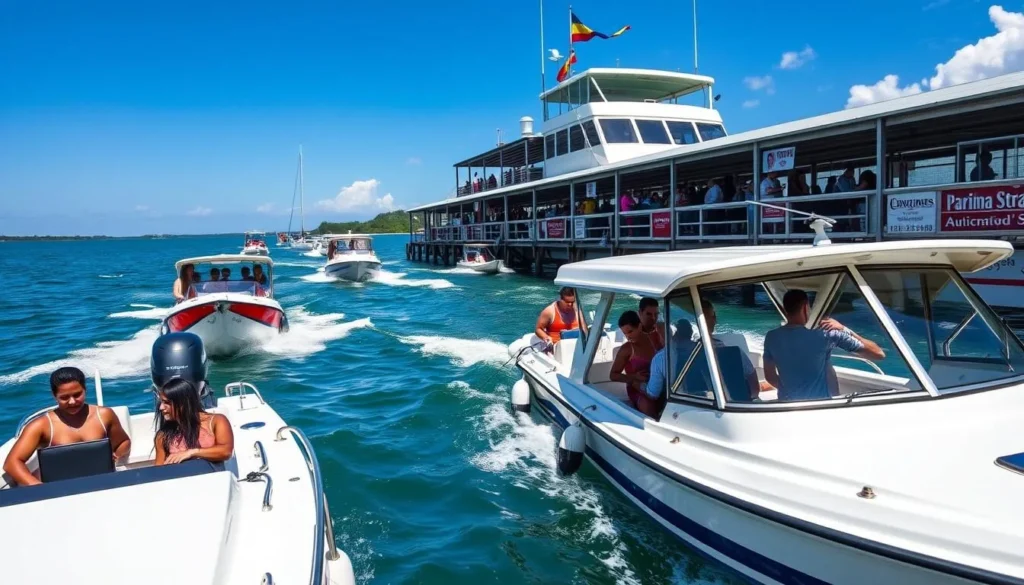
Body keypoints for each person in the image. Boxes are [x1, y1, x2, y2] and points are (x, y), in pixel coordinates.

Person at [3, 367, 131, 486]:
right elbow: (12, 463)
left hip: (101, 482)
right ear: (54, 396)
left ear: (85, 390)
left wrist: (115, 455)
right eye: (64, 397)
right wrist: (39, 489)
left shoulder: (104, 415)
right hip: (58, 488)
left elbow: (123, 442)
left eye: (77, 395)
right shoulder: (41, 425)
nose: (72, 401)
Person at [762, 290, 885, 401]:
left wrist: (792, 389)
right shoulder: (826, 334)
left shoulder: (771, 337)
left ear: (785, 309)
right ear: (805, 307)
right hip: (819, 405)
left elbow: (770, 377)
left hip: (787, 404)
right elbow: (878, 353)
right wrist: (844, 328)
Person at [153, 378, 234, 466]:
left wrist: (191, 452)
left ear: (183, 403)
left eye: (167, 403)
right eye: (161, 402)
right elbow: (159, 469)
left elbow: (226, 452)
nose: (161, 407)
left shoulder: (217, 421)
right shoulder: (163, 436)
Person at [610, 311, 659, 412]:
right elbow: (613, 375)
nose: (628, 337)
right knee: (648, 406)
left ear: (640, 326)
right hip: (637, 388)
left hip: (658, 382)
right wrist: (634, 377)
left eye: (630, 331)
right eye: (624, 333)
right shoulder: (626, 349)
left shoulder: (654, 339)